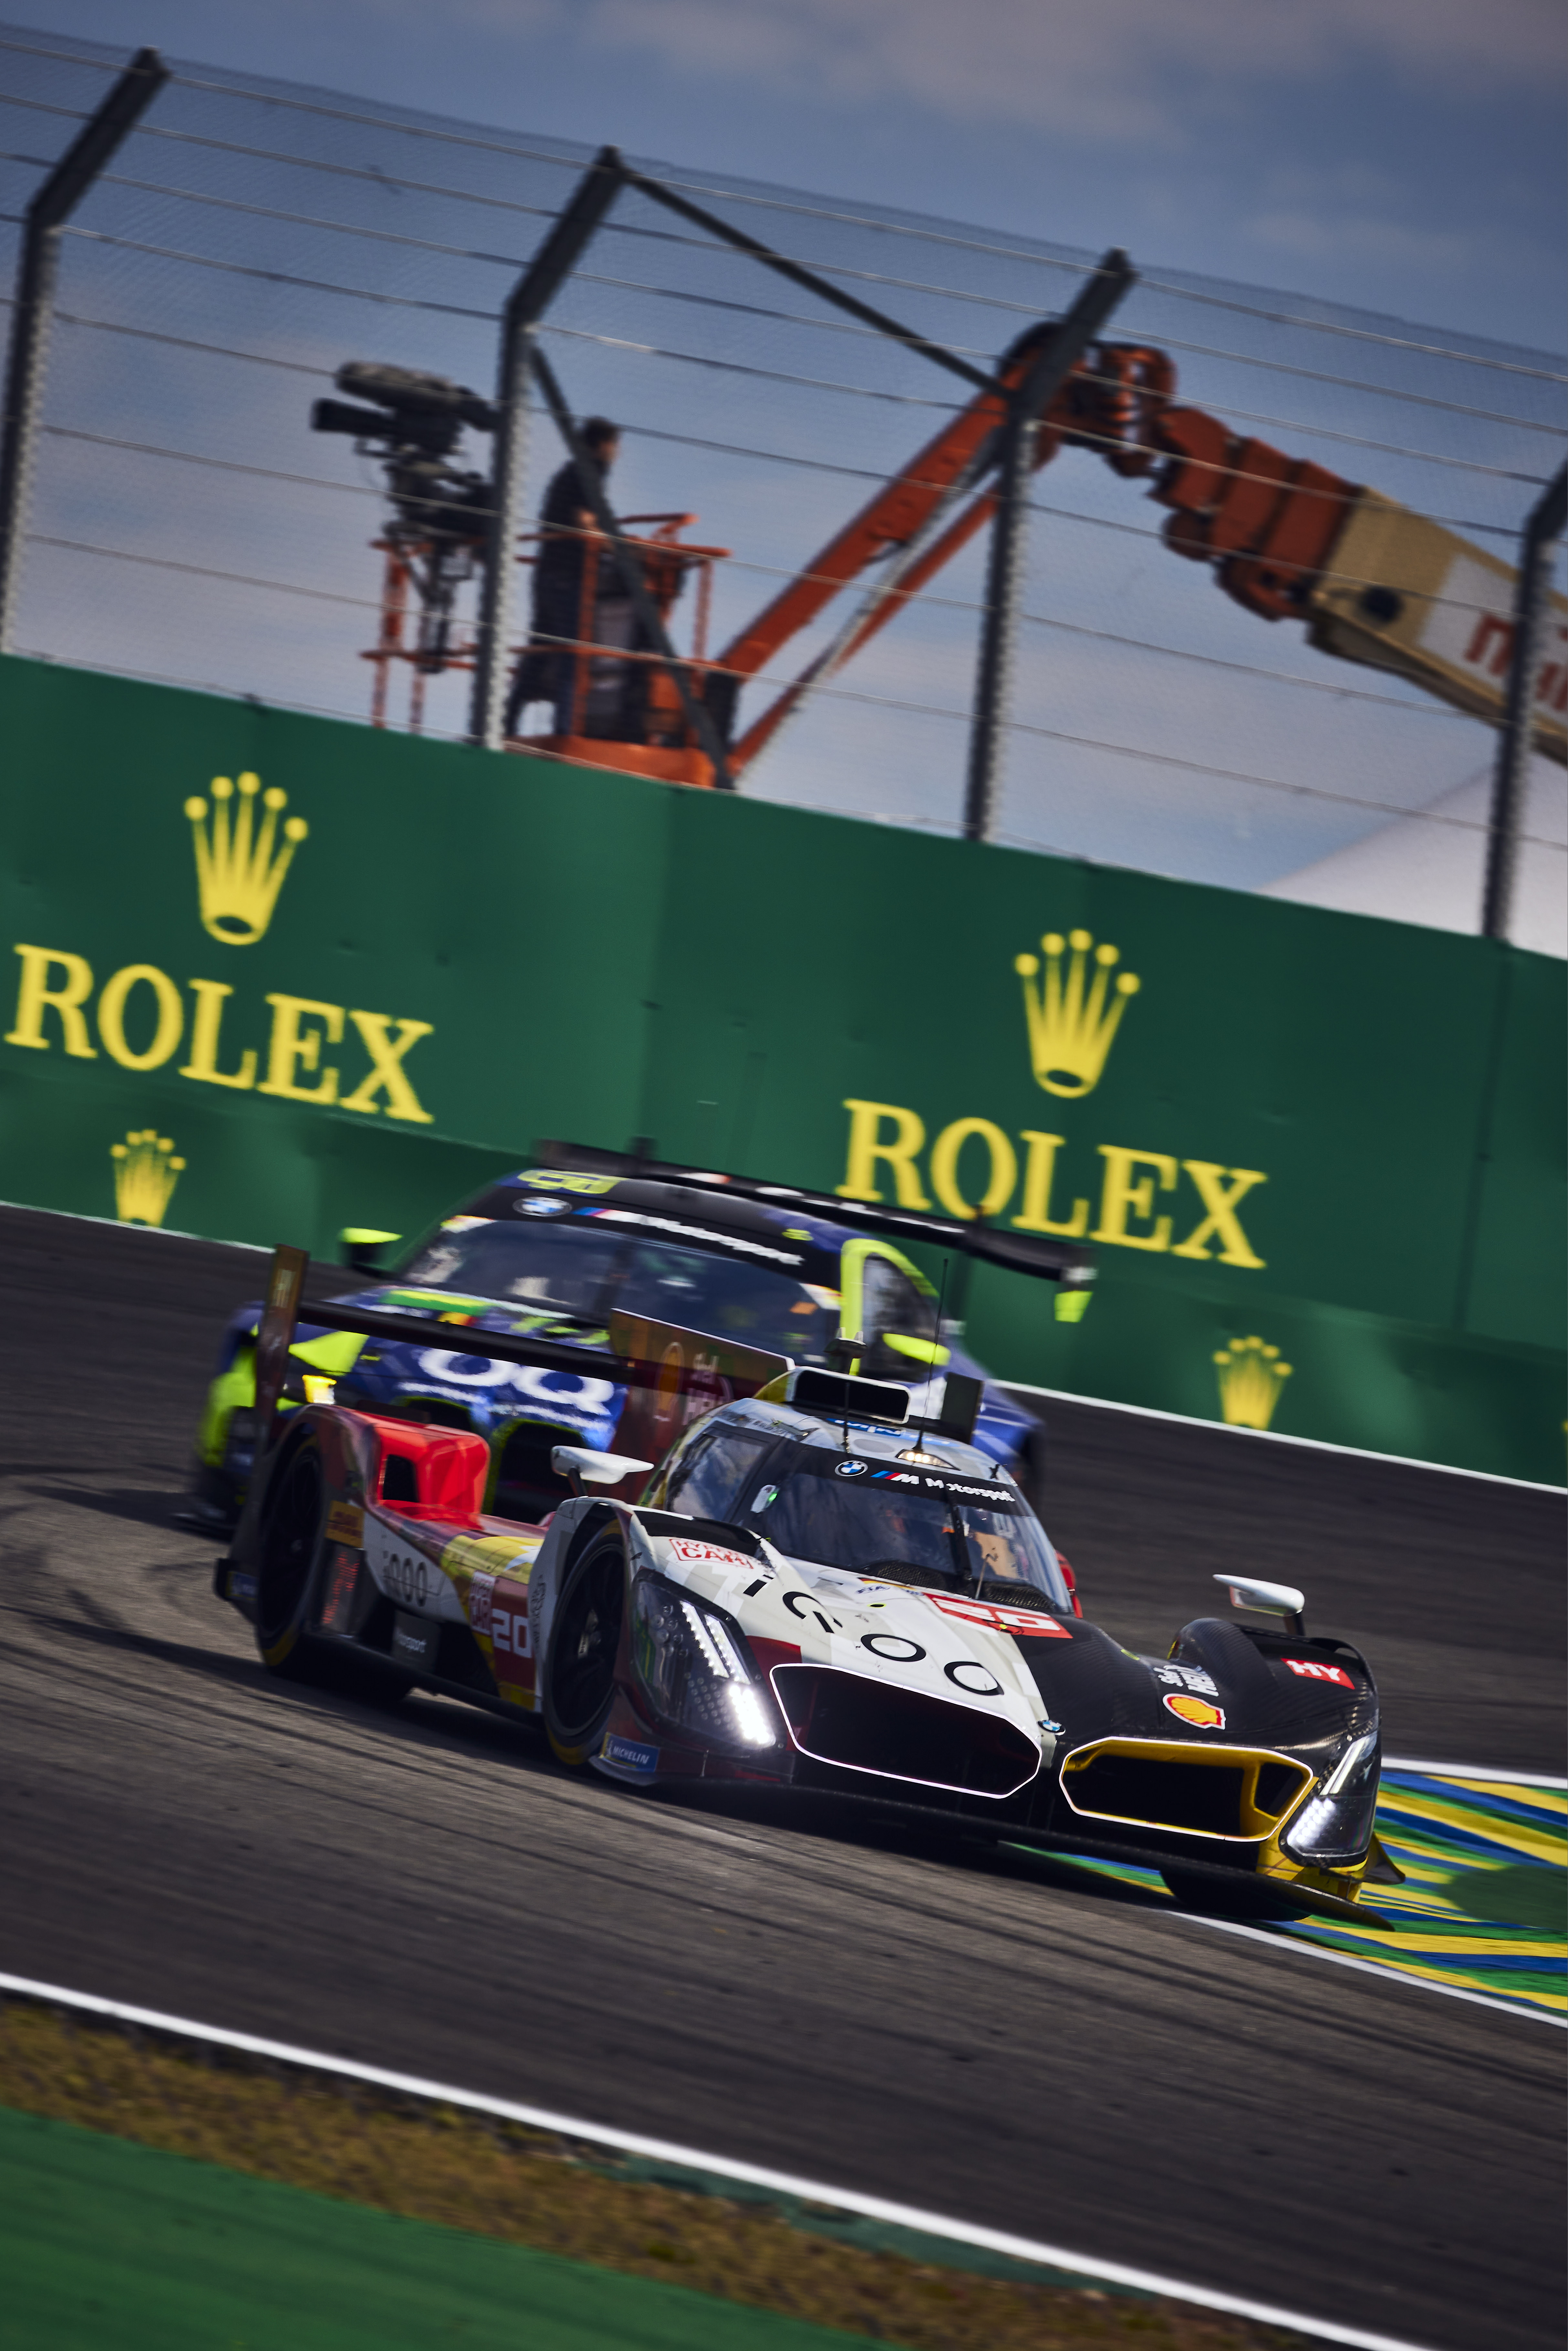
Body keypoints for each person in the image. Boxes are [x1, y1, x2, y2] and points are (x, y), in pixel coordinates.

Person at [505, 418, 620, 737]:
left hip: (547, 574)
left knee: (539, 652)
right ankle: (565, 732)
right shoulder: (591, 472)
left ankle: (506, 721)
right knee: (573, 655)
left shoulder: (567, 473)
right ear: (604, 445)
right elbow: (584, 521)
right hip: (568, 577)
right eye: (615, 446)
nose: (617, 454)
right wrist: (621, 551)